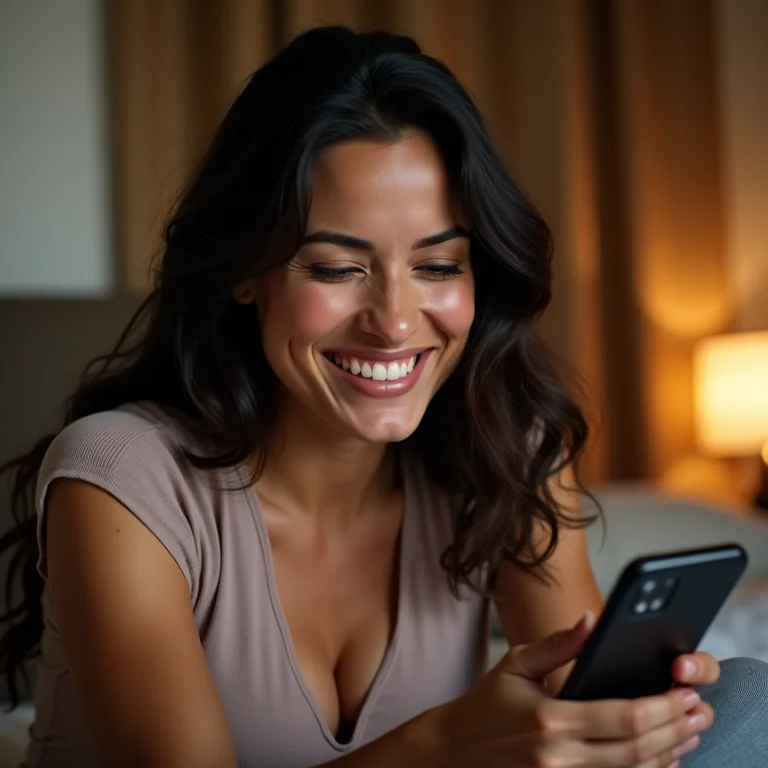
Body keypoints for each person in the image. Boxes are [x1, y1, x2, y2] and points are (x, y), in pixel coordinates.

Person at [0, 25, 766, 768]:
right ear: (243, 271)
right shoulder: (121, 479)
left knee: (746, 702)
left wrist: (638, 730)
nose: (396, 323)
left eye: (438, 268)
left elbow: (579, 701)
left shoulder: (506, 446)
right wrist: (446, 748)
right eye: (336, 268)